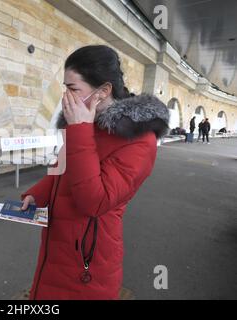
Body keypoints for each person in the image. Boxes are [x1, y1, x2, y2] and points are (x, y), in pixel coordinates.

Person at [20, 45, 169, 300]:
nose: (65, 97)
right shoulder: (84, 122)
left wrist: (79, 129)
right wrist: (37, 194)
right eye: (65, 87)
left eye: (73, 89)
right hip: (57, 243)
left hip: (89, 254)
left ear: (103, 91)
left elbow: (95, 201)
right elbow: (61, 171)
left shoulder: (139, 140)